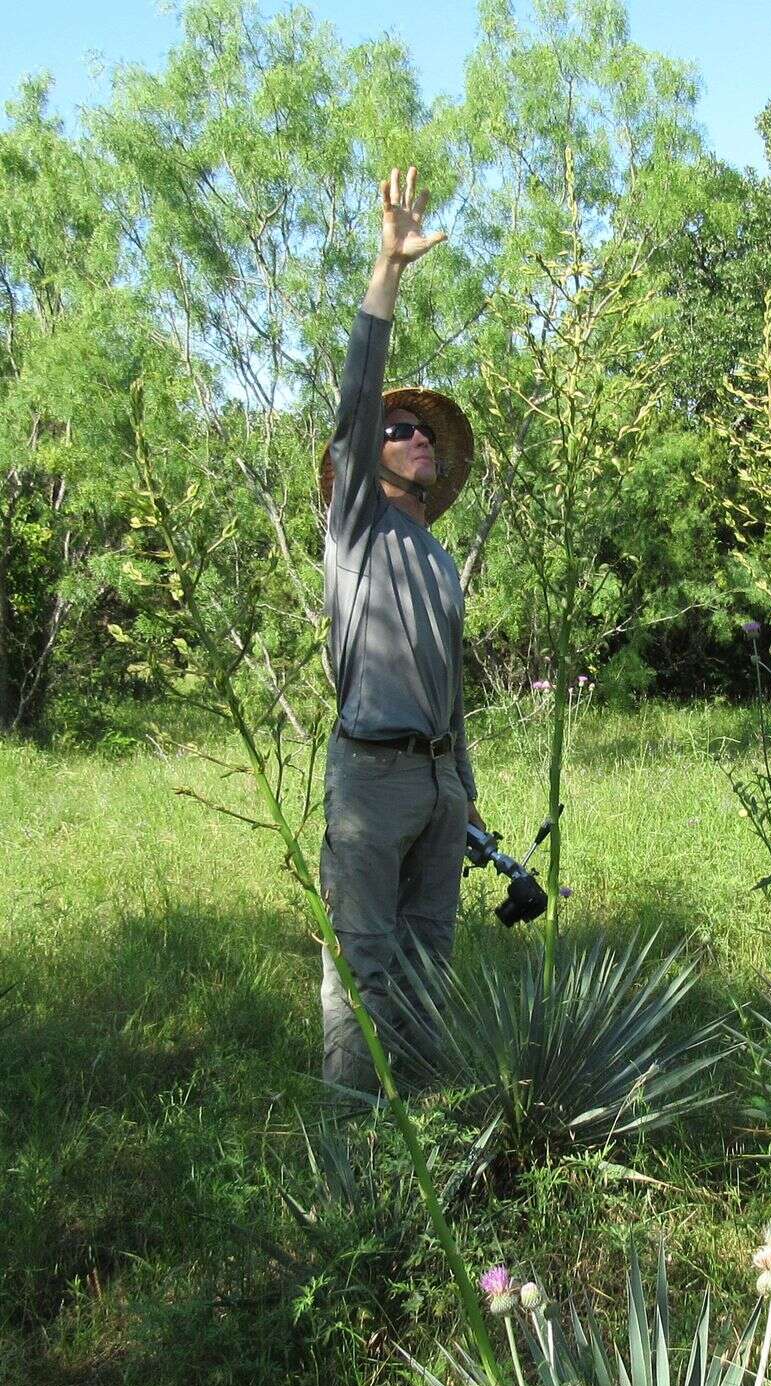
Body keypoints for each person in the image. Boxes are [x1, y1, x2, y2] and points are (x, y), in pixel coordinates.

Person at [317, 166, 484, 1090]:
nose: (416, 435)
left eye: (423, 428)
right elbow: (356, 392)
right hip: (368, 782)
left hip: (434, 784)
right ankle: (353, 1160)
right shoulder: (356, 527)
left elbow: (450, 692)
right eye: (400, 428)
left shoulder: (437, 557)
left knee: (429, 975)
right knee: (361, 976)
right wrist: (389, 268)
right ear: (367, 457)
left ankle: (418, 1133)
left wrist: (462, 791)